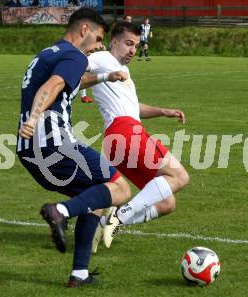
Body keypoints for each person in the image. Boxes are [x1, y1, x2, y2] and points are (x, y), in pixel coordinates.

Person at [16, 7, 132, 287]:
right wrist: (33, 117)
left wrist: (106, 77)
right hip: (54, 144)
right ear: (84, 31)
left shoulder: (48, 53)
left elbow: (71, 83)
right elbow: (55, 84)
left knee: (95, 196)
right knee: (120, 188)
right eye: (99, 38)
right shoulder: (75, 55)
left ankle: (79, 273)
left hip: (29, 151)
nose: (100, 46)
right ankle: (61, 212)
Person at [84, 22, 189, 251]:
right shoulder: (102, 58)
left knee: (166, 202)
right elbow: (77, 66)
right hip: (125, 132)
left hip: (118, 139)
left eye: (136, 46)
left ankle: (104, 223)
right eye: (128, 44)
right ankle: (118, 217)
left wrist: (163, 111)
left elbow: (133, 108)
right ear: (114, 42)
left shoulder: (123, 71)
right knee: (180, 177)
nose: (132, 50)